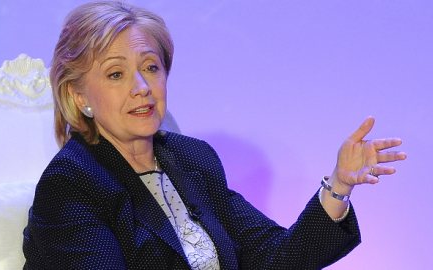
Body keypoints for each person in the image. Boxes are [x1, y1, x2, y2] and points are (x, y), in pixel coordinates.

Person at [22, 1, 407, 269]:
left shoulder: (192, 159)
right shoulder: (70, 186)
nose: (141, 87)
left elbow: (275, 258)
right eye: (116, 74)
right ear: (78, 95)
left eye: (151, 67)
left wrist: (338, 185)